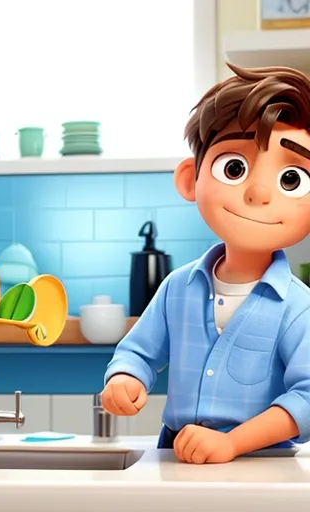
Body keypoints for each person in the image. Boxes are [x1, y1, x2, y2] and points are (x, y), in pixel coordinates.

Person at [101, 63, 310, 464]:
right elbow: (139, 352)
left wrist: (233, 442)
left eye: (291, 180)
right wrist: (124, 378)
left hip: (263, 466)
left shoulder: (297, 308)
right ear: (189, 178)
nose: (260, 192)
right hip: (176, 456)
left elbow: (306, 398)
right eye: (234, 168)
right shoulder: (177, 288)